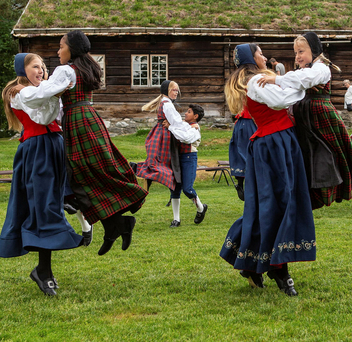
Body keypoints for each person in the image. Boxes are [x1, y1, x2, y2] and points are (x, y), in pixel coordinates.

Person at [220, 44, 315, 297]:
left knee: (277, 204)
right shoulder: (255, 82)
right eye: (260, 53)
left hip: (281, 142)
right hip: (272, 145)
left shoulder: (261, 79)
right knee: (277, 205)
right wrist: (299, 83)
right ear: (252, 58)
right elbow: (283, 99)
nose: (264, 57)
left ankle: (254, 263)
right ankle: (278, 269)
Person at [58, 31, 147, 256]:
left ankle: (117, 225)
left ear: (72, 49)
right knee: (87, 176)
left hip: (79, 122)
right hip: (84, 120)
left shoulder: (68, 71)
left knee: (86, 175)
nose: (58, 51)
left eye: (61, 46)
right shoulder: (84, 68)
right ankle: (115, 227)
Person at [0, 53, 83, 296]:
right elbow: (42, 115)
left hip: (53, 146)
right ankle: (43, 271)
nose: (41, 70)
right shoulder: (18, 93)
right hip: (37, 150)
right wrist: (55, 87)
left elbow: (51, 114)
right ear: (22, 70)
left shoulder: (44, 90)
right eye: (35, 66)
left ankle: (46, 268)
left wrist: (55, 88)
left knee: (53, 204)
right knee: (43, 207)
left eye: (43, 67)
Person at [257, 32, 352, 210]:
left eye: (301, 51)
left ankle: (325, 190)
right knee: (305, 155)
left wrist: (277, 79)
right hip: (305, 116)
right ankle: (305, 194)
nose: (297, 57)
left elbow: (304, 80)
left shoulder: (321, 68)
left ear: (314, 50)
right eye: (296, 53)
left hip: (319, 115)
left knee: (323, 153)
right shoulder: (305, 70)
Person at [164, 103, 207, 227]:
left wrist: (171, 127)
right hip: (176, 158)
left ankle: (200, 208)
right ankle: (176, 219)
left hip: (189, 158)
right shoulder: (182, 125)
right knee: (175, 188)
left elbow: (185, 139)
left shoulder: (195, 129)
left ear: (195, 116)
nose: (186, 113)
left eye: (189, 112)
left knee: (187, 188)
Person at [229, 54, 259, 202]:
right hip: (249, 121)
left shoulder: (238, 81)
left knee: (240, 152)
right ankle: (250, 185)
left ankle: (241, 183)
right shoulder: (251, 80)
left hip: (241, 122)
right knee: (250, 153)